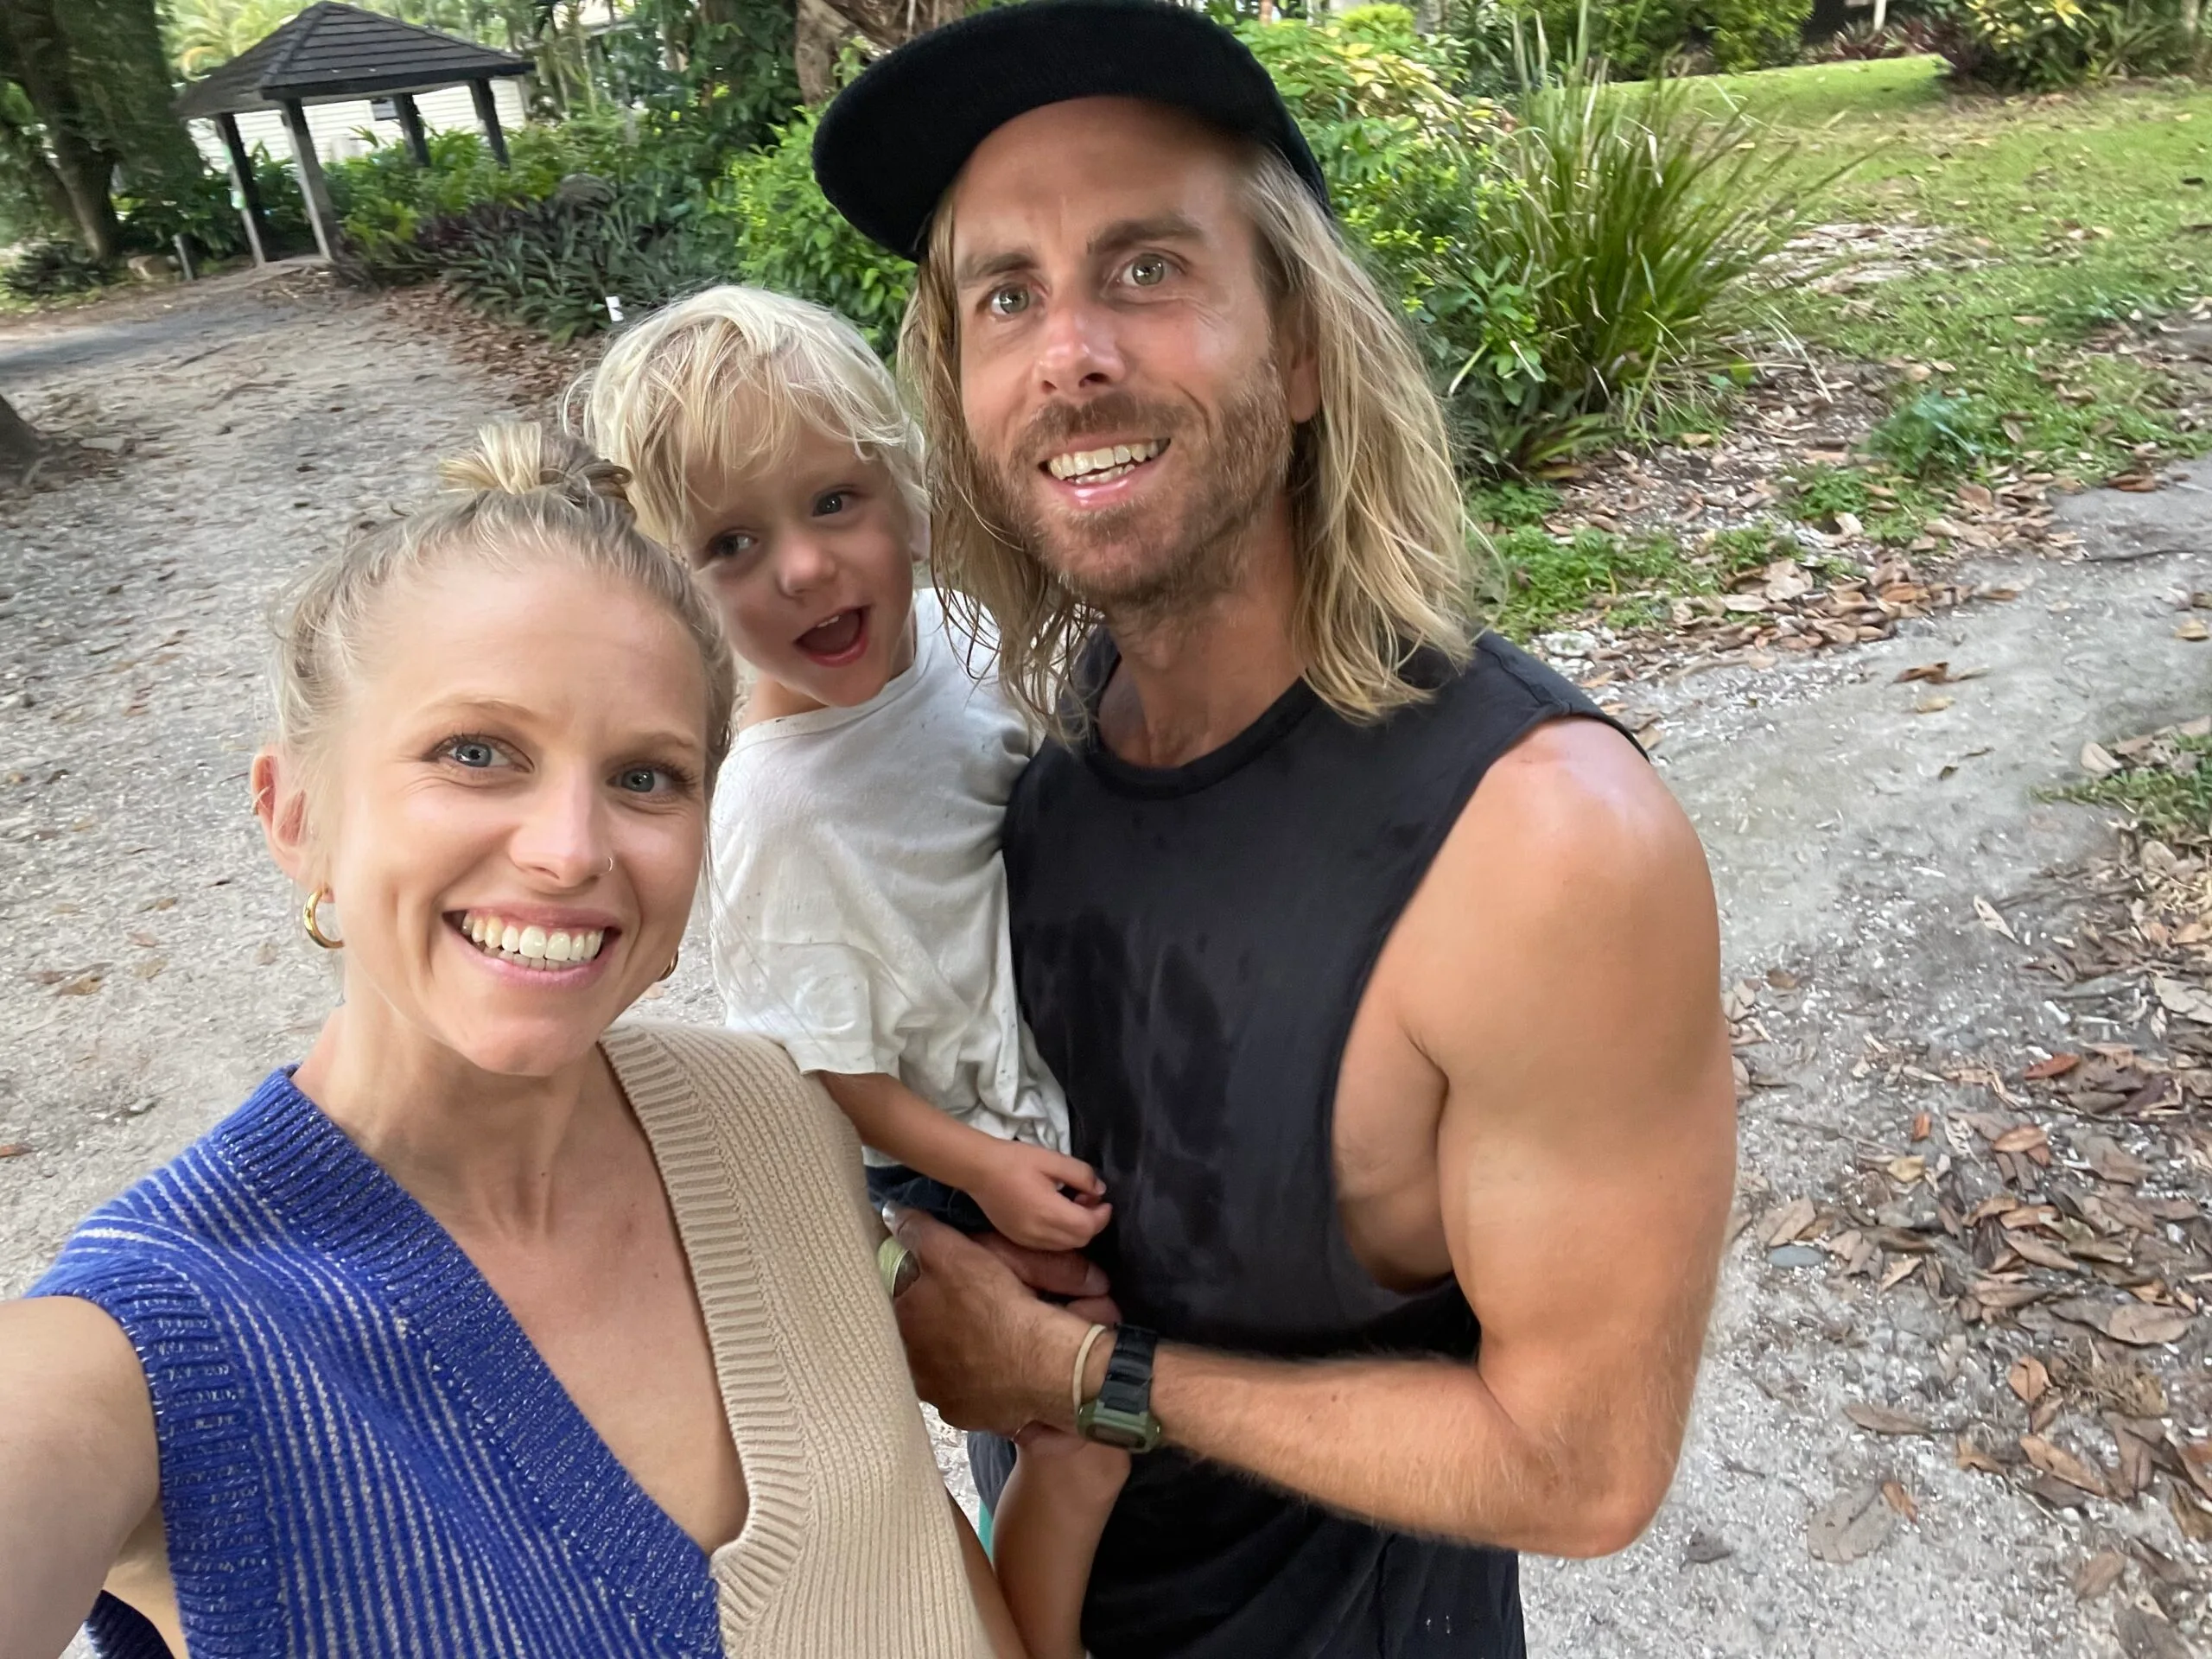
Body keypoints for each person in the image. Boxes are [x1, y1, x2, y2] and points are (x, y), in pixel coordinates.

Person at [810, 3, 1741, 1656]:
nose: (1069, 352)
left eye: (1146, 270)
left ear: (1301, 348)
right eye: (1005, 295)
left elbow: (1588, 1467)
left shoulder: (1539, 847)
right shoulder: (1039, 744)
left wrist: (1078, 1385)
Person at [0, 425, 1012, 1659]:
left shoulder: (777, 1115)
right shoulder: (157, 1338)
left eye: (648, 777)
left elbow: (907, 1540)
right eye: (476, 753)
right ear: (296, 814)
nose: (571, 848)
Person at [580, 284, 1129, 1658]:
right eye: (731, 544)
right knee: (1080, 1442)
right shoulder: (776, 811)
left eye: (836, 503)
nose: (809, 571)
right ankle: (1032, 1634)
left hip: (1046, 1059)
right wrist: (983, 1168)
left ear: (907, 490)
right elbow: (828, 1068)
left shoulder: (958, 630)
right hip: (951, 1138)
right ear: (672, 593)